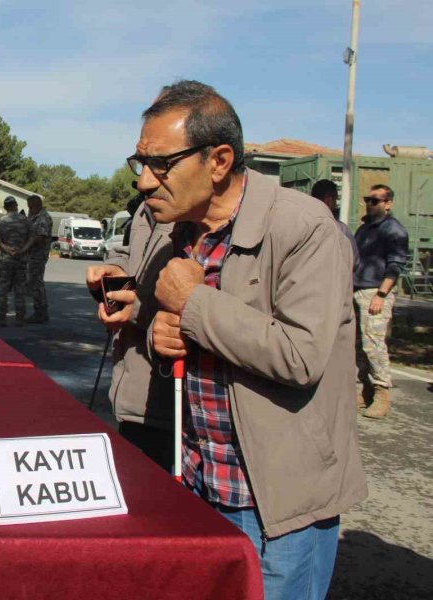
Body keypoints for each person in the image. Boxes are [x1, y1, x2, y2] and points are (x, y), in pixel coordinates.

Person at [115, 80, 366, 599]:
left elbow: (301, 356)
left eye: (159, 164)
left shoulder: (305, 229)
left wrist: (193, 305)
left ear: (219, 159)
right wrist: (158, 327)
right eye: (138, 162)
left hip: (274, 503)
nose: (143, 181)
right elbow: (198, 338)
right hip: (196, 482)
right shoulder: (177, 235)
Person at [86, 199, 176, 471]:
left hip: (175, 409)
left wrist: (139, 308)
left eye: (158, 164)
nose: (145, 180)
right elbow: (133, 255)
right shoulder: (146, 206)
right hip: (135, 401)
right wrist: (116, 271)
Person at [353, 183, 409, 418]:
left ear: (388, 204)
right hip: (357, 291)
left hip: (376, 293)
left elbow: (395, 266)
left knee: (374, 345)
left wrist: (381, 295)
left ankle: (382, 392)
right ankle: (365, 390)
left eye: (375, 200)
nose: (369, 203)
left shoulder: (393, 230)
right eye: (367, 199)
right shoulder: (364, 229)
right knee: (358, 347)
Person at [0, 196, 30, 327]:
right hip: (21, 257)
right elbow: (32, 238)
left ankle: (1, 317)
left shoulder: (1, 221)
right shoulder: (25, 220)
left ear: (5, 207)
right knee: (20, 288)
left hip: (6, 259)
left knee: (3, 288)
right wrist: (21, 250)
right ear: (15, 205)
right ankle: (20, 318)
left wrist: (8, 250)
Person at [310, 179, 358, 265]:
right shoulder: (341, 230)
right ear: (329, 201)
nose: (336, 204)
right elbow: (354, 261)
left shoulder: (300, 225)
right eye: (335, 200)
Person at [21, 194, 53, 323]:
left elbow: (41, 237)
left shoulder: (43, 218)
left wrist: (29, 241)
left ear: (37, 205)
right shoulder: (34, 217)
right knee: (34, 283)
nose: (29, 209)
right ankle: (39, 311)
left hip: (38, 256)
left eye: (31, 207)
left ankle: (40, 312)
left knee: (37, 283)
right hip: (32, 255)